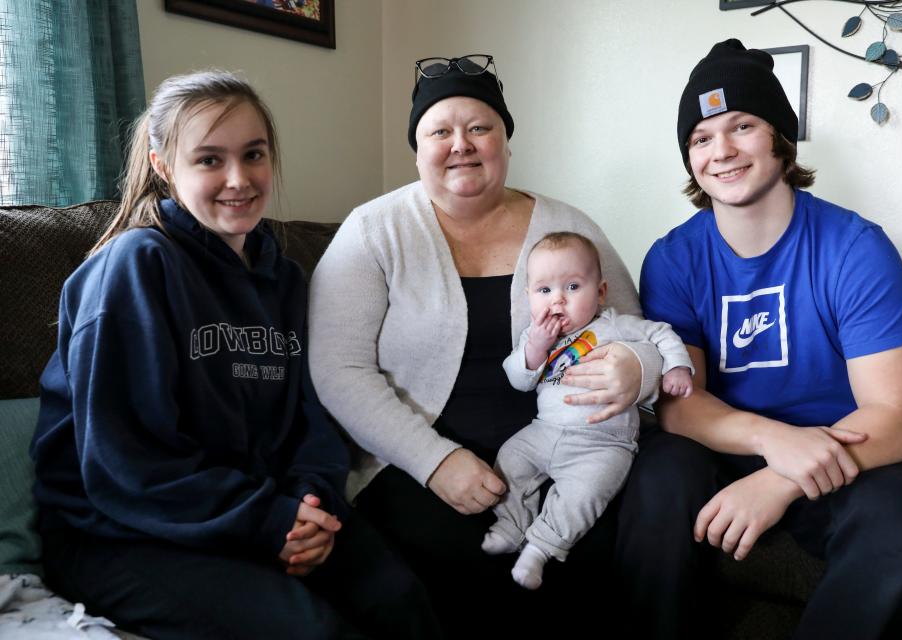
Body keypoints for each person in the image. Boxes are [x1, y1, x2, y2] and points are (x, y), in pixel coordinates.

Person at [30, 70, 439, 640]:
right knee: (313, 633)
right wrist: (270, 522)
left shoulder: (288, 279)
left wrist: (307, 509)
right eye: (209, 160)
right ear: (163, 165)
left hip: (263, 510)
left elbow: (312, 420)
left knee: (401, 601)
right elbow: (126, 462)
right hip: (120, 532)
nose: (238, 179)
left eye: (253, 155)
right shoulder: (135, 266)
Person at [308, 55, 663, 637]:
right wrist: (436, 462)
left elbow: (631, 330)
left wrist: (638, 367)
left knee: (599, 556)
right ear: (416, 148)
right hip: (415, 465)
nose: (461, 145)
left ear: (506, 140)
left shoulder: (568, 225)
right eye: (439, 131)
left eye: (480, 128)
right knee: (473, 570)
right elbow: (337, 368)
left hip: (569, 449)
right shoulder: (373, 230)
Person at [608, 39, 902, 639]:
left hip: (842, 454)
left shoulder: (855, 248)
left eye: (742, 126)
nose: (723, 151)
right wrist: (770, 441)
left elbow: (898, 418)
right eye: (702, 138)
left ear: (781, 139)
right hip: (724, 448)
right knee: (658, 467)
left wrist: (783, 475)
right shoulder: (672, 258)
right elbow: (680, 403)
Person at [483, 231, 693, 590]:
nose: (558, 301)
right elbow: (519, 379)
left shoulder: (615, 325)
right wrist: (534, 349)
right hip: (544, 430)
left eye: (573, 287)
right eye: (544, 291)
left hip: (603, 442)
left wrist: (676, 367)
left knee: (585, 494)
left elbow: (661, 333)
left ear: (600, 292)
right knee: (509, 460)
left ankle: (540, 549)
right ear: (528, 297)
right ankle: (512, 524)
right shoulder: (535, 337)